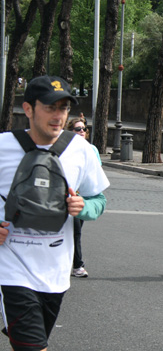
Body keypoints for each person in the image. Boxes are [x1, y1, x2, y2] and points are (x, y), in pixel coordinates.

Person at [0, 75, 110, 351]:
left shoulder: (81, 150)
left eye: (63, 108)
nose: (58, 115)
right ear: (28, 109)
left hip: (55, 271)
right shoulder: (2, 147)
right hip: (9, 269)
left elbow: (98, 199)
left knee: (32, 343)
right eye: (50, 107)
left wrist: (84, 206)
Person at [66, 117, 102, 278]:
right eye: (77, 129)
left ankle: (71, 262)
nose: (81, 131)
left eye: (83, 129)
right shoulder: (65, 149)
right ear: (70, 131)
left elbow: (96, 174)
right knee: (75, 232)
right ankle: (77, 265)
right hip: (68, 196)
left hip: (84, 197)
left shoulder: (92, 149)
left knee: (75, 230)